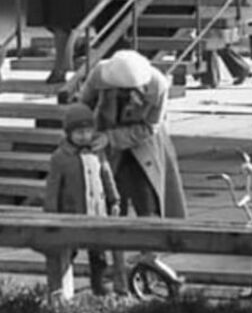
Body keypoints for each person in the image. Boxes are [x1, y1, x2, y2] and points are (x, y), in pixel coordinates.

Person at [76, 49, 186, 294]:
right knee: (111, 212)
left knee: (149, 210)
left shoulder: (158, 84)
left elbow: (150, 127)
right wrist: (86, 133)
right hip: (106, 150)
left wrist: (112, 137)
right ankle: (116, 276)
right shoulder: (100, 74)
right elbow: (83, 105)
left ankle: (150, 271)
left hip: (143, 147)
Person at [39, 101, 122, 296]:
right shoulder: (60, 157)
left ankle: (100, 288)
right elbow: (53, 187)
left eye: (88, 131)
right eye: (79, 132)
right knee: (66, 252)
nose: (84, 136)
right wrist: (51, 213)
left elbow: (106, 176)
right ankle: (61, 289)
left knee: (99, 254)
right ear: (68, 133)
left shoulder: (97, 152)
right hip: (71, 214)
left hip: (97, 213)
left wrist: (114, 200)